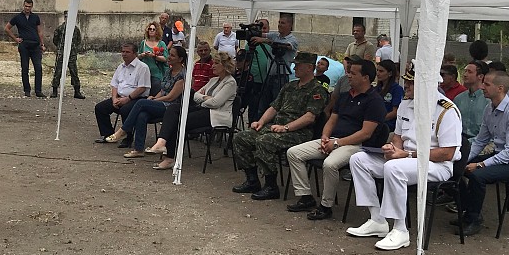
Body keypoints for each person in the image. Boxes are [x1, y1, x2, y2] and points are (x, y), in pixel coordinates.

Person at [346, 62, 462, 251]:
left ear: (426, 86)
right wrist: (393, 149)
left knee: (394, 168)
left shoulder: (446, 111)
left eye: (411, 83)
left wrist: (405, 154)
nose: (406, 86)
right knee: (358, 159)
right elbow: (399, 136)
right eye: (407, 82)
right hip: (406, 159)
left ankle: (400, 230)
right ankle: (377, 219)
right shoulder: (406, 105)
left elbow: (447, 153)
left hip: (437, 165)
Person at [286, 58, 387, 219]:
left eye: (353, 73)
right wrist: (325, 137)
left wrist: (337, 143)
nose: (348, 76)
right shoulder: (345, 96)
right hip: (333, 140)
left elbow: (365, 133)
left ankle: (326, 206)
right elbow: (332, 120)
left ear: (365, 77)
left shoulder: (375, 101)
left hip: (356, 145)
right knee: (294, 153)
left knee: (330, 164)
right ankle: (305, 196)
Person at [231, 51, 324, 201]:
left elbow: (309, 117)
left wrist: (286, 128)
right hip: (277, 127)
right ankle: (252, 179)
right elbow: (274, 107)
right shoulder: (290, 86)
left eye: (298, 65)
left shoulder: (317, 90)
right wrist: (261, 122)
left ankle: (270, 185)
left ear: (309, 67)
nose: (294, 67)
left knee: (265, 141)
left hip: (298, 132)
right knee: (241, 137)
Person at [457, 70, 509, 236]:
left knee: (478, 176)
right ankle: (467, 210)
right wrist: (464, 160)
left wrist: (480, 164)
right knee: (455, 168)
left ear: (500, 88)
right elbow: (480, 141)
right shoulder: (489, 109)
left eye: (487, 84)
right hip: (500, 155)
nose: (482, 87)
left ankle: (474, 219)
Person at [146, 51, 237, 171]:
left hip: (216, 116)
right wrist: (206, 98)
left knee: (178, 121)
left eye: (216, 63)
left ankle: (169, 157)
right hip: (204, 109)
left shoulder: (230, 82)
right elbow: (194, 95)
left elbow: (216, 103)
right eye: (213, 62)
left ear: (225, 66)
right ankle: (161, 143)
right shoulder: (213, 80)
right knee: (174, 108)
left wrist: (204, 99)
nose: (213, 65)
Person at [107, 46, 187, 157]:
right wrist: (154, 97)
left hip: (172, 107)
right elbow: (163, 90)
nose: (168, 57)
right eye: (169, 54)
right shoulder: (169, 71)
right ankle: (139, 149)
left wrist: (155, 99)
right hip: (162, 102)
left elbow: (171, 97)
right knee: (142, 115)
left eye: (172, 55)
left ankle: (123, 130)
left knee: (141, 103)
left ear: (180, 59)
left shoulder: (183, 75)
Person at [93, 43, 152, 143]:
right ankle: (108, 134)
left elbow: (142, 88)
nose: (124, 54)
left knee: (125, 110)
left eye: (127, 52)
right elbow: (114, 84)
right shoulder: (121, 67)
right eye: (123, 51)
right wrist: (114, 98)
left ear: (134, 53)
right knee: (100, 108)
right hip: (120, 97)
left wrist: (128, 98)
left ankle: (128, 137)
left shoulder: (142, 67)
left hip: (136, 98)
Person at [6, 0, 46, 97]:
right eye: (26, 6)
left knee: (38, 68)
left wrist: (42, 44)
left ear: (32, 7)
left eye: (29, 6)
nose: (27, 8)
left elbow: (39, 31)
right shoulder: (17, 17)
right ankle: (27, 90)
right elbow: (7, 28)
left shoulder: (35, 17)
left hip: (35, 45)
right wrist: (15, 39)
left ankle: (38, 91)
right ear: (23, 6)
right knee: (25, 68)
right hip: (24, 45)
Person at [51, 11, 84, 100]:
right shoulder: (60, 29)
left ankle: (77, 91)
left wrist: (73, 48)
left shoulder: (75, 29)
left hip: (71, 54)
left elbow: (78, 40)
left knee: (74, 72)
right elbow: (55, 40)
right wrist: (61, 48)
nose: (68, 18)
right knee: (58, 72)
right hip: (61, 53)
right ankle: (54, 91)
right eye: (66, 17)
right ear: (64, 18)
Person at [453, 60, 489, 138]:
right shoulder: (459, 98)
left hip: (481, 142)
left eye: (469, 72)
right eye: (465, 71)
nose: (465, 74)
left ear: (480, 76)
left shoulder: (488, 100)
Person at [137, 21, 168, 93]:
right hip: (144, 73)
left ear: (157, 31)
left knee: (154, 91)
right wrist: (142, 55)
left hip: (157, 73)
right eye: (150, 29)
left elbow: (165, 58)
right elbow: (137, 57)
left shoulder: (161, 44)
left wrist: (154, 56)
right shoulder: (143, 43)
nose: (151, 31)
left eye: (153, 29)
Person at [375, 59, 405, 131]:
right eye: (377, 70)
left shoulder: (397, 89)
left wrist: (377, 120)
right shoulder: (376, 89)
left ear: (390, 73)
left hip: (388, 126)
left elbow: (395, 112)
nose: (378, 73)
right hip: (373, 123)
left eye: (381, 71)